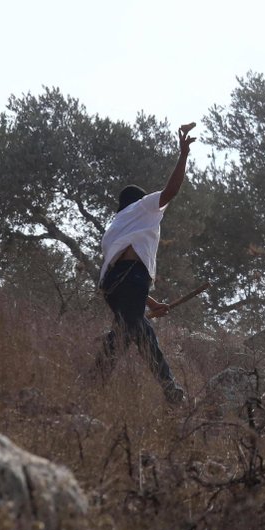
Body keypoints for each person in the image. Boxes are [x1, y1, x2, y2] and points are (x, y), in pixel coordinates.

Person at [92, 123, 197, 404]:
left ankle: (170, 389)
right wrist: (183, 155)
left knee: (141, 333)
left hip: (113, 287)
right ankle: (92, 383)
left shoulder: (115, 227)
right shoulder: (142, 207)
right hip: (132, 279)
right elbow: (171, 191)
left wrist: (150, 303)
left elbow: (119, 270)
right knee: (124, 333)